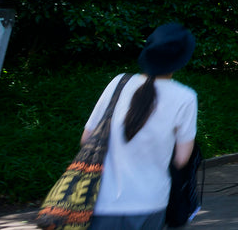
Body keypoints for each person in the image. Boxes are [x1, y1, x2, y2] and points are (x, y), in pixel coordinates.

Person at [80, 23, 198, 230]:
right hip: (151, 203)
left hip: (101, 201)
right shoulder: (186, 97)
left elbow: (86, 140)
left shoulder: (118, 83)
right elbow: (181, 159)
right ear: (181, 60)